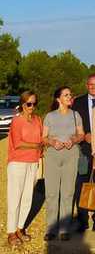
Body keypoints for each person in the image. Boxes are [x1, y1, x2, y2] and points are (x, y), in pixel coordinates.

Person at [43, 86, 84, 241]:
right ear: (58, 99)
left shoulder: (76, 115)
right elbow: (43, 137)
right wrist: (53, 142)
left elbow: (81, 134)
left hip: (71, 155)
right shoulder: (50, 116)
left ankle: (64, 229)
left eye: (70, 95)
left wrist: (73, 140)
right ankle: (51, 229)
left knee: (68, 192)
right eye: (66, 95)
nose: (69, 97)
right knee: (52, 193)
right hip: (53, 156)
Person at [6, 91, 43, 248]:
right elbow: (18, 143)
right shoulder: (17, 121)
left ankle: (20, 228)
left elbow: (42, 139)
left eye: (34, 103)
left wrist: (42, 149)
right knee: (15, 198)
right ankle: (11, 232)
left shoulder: (38, 119)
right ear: (22, 104)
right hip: (17, 163)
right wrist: (36, 146)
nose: (31, 106)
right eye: (29, 103)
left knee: (28, 198)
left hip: (33, 162)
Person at [73, 73, 95, 233]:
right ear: (87, 85)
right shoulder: (77, 102)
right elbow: (72, 124)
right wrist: (83, 135)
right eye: (91, 84)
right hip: (83, 151)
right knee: (81, 184)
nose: (94, 87)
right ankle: (82, 220)